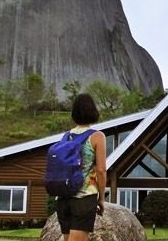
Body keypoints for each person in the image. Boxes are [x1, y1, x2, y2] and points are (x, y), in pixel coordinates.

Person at [56, 93, 106, 241]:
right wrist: (101, 198)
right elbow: (101, 171)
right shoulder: (97, 136)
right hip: (84, 197)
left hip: (63, 199)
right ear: (93, 112)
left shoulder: (66, 136)